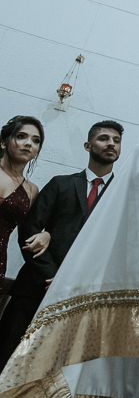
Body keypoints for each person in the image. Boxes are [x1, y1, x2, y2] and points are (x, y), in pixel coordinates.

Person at [0, 120, 122, 369]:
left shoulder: (122, 195)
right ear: (88, 145)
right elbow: (29, 231)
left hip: (79, 296)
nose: (111, 144)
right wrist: (51, 276)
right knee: (5, 354)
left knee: (48, 368)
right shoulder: (60, 184)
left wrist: (77, 282)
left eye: (116, 141)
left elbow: (119, 246)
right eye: (104, 138)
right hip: (34, 287)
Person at [0, 116, 43, 282]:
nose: (28, 143)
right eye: (21, 136)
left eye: (36, 140)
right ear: (3, 142)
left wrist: (46, 235)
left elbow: (28, 234)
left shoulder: (31, 190)